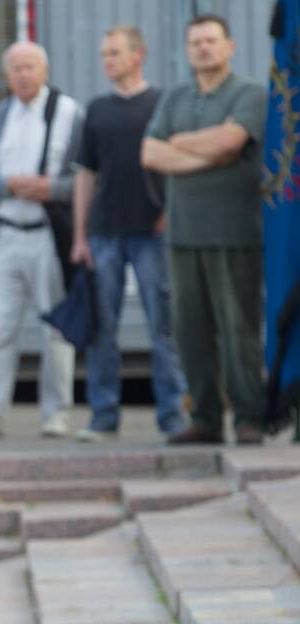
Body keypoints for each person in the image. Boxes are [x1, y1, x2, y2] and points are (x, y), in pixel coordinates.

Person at [142, 14, 267, 445]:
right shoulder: (176, 97)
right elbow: (150, 153)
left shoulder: (250, 93)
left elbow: (232, 142)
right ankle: (206, 418)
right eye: (195, 42)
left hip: (236, 233)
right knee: (189, 331)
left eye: (211, 41)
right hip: (183, 234)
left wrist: (181, 142)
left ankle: (250, 416)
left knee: (239, 330)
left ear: (229, 46)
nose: (203, 48)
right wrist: (205, 153)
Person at [69, 27, 189, 442]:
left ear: (139, 55)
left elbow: (179, 162)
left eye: (115, 53)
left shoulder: (162, 103)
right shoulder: (97, 109)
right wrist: (80, 236)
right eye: (104, 54)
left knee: (164, 328)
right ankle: (103, 417)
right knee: (103, 329)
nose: (108, 60)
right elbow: (86, 175)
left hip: (152, 234)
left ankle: (173, 416)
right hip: (104, 234)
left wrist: (172, 214)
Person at [0, 41, 83, 438]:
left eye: (30, 67)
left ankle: (57, 413)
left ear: (44, 70)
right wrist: (8, 185)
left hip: (49, 235)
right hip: (4, 235)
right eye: (15, 68)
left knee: (56, 329)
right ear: (7, 75)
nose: (23, 75)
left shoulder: (68, 113)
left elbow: (85, 180)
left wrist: (51, 188)